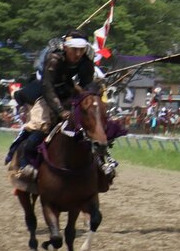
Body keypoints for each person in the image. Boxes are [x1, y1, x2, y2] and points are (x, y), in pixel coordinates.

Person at [9, 31, 112, 182]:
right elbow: (47, 87)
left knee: (94, 122)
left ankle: (104, 163)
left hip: (68, 89)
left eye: (81, 50)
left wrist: (89, 97)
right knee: (41, 125)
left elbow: (87, 84)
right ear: (66, 47)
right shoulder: (54, 57)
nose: (77, 54)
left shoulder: (86, 58)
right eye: (74, 50)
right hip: (45, 91)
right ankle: (25, 164)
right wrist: (60, 111)